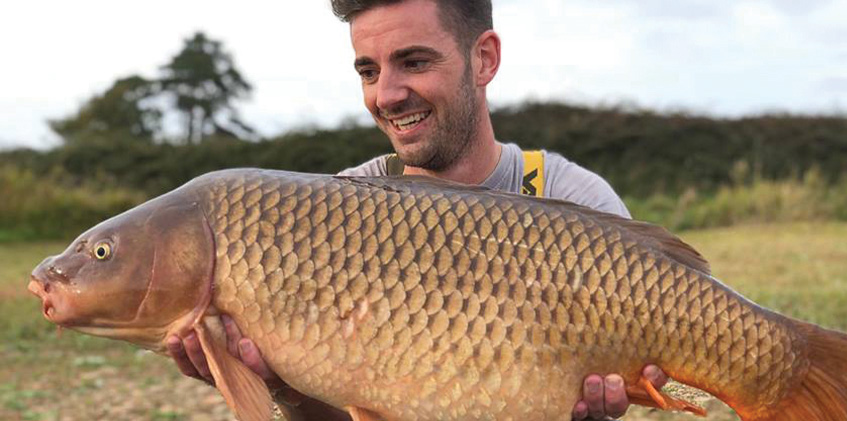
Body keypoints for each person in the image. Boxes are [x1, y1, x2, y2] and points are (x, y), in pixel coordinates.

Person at [167, 0, 670, 419]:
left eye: (414, 62)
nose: (386, 94)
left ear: (484, 59)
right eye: (369, 70)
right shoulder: (333, 214)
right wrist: (284, 387)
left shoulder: (575, 200)